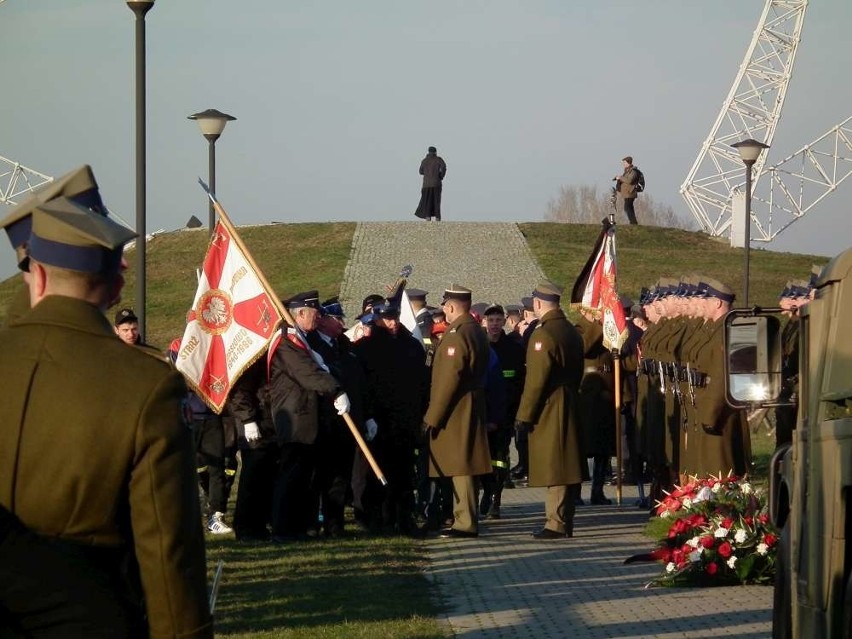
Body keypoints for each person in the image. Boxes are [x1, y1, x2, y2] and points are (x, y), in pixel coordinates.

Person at [0, 197, 212, 637]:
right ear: (117, 289)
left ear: (34, 275)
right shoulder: (146, 386)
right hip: (90, 610)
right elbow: (166, 548)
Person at [268, 291, 349, 542]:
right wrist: (335, 389)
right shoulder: (286, 341)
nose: (318, 317)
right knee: (291, 476)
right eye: (315, 313)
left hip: (307, 418)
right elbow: (307, 373)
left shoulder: (303, 339)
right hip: (295, 419)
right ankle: (283, 529)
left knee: (305, 478)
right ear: (300, 313)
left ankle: (300, 526)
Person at [515, 280, 586, 539]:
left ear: (537, 303)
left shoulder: (544, 333)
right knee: (563, 461)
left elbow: (536, 381)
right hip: (568, 398)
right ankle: (561, 519)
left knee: (556, 464)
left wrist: (524, 415)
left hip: (551, 404)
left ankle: (555, 522)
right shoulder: (569, 329)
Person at [353, 301, 428, 535]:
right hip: (379, 421)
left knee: (405, 473)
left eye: (395, 317)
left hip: (406, 419)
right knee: (378, 473)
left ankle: (404, 518)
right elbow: (363, 388)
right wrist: (369, 416)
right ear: (377, 320)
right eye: (387, 319)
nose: (393, 323)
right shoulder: (365, 348)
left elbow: (421, 384)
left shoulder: (413, 346)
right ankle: (379, 520)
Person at [422, 284, 491, 538]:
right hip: (470, 403)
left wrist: (432, 416)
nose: (443, 310)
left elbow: (448, 380)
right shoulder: (474, 330)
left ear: (451, 306)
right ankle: (465, 517)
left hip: (457, 409)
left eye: (444, 306)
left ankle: (465, 521)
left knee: (461, 465)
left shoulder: (457, 334)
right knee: (465, 463)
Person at [480, 304, 525, 519]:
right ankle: (486, 492)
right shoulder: (479, 348)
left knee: (500, 458)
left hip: (506, 414)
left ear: (505, 322)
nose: (494, 325)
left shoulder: (514, 349)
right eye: (491, 321)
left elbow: (520, 383)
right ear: (484, 323)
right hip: (483, 415)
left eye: (498, 320)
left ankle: (495, 498)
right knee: (482, 458)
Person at [414, 146, 447, 222]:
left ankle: (428, 217)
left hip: (426, 185)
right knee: (436, 201)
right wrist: (440, 176)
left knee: (427, 201)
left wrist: (426, 173)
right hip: (436, 184)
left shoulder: (424, 161)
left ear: (428, 152)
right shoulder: (439, 159)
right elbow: (444, 167)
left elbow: (420, 171)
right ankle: (437, 218)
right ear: (435, 152)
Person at [615, 155, 641, 225]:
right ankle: (633, 223)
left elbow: (629, 180)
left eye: (624, 163)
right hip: (627, 193)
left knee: (627, 208)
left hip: (630, 193)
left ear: (628, 163)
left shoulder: (633, 171)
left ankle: (633, 223)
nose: (623, 164)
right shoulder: (627, 171)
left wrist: (620, 177)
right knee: (629, 208)